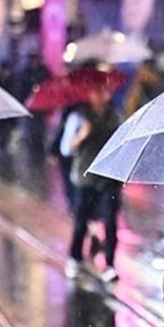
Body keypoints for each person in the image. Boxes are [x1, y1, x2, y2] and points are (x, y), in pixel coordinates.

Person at [60, 84, 123, 282]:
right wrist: (81, 136)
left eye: (103, 90)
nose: (100, 95)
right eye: (96, 90)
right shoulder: (78, 117)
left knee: (110, 222)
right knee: (81, 221)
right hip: (84, 178)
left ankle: (109, 264)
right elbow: (65, 149)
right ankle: (75, 258)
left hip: (108, 178)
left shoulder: (115, 117)